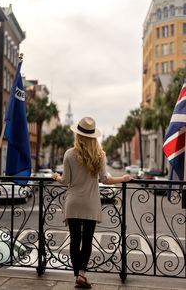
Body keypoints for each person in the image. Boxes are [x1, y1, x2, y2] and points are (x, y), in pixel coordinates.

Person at [52, 116, 133, 288]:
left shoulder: (69, 154)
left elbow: (66, 180)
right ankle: (82, 274)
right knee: (87, 239)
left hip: (73, 202)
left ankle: (77, 277)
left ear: (78, 135)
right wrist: (123, 178)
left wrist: (57, 177)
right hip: (90, 203)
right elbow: (105, 180)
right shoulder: (99, 155)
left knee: (75, 239)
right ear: (93, 136)